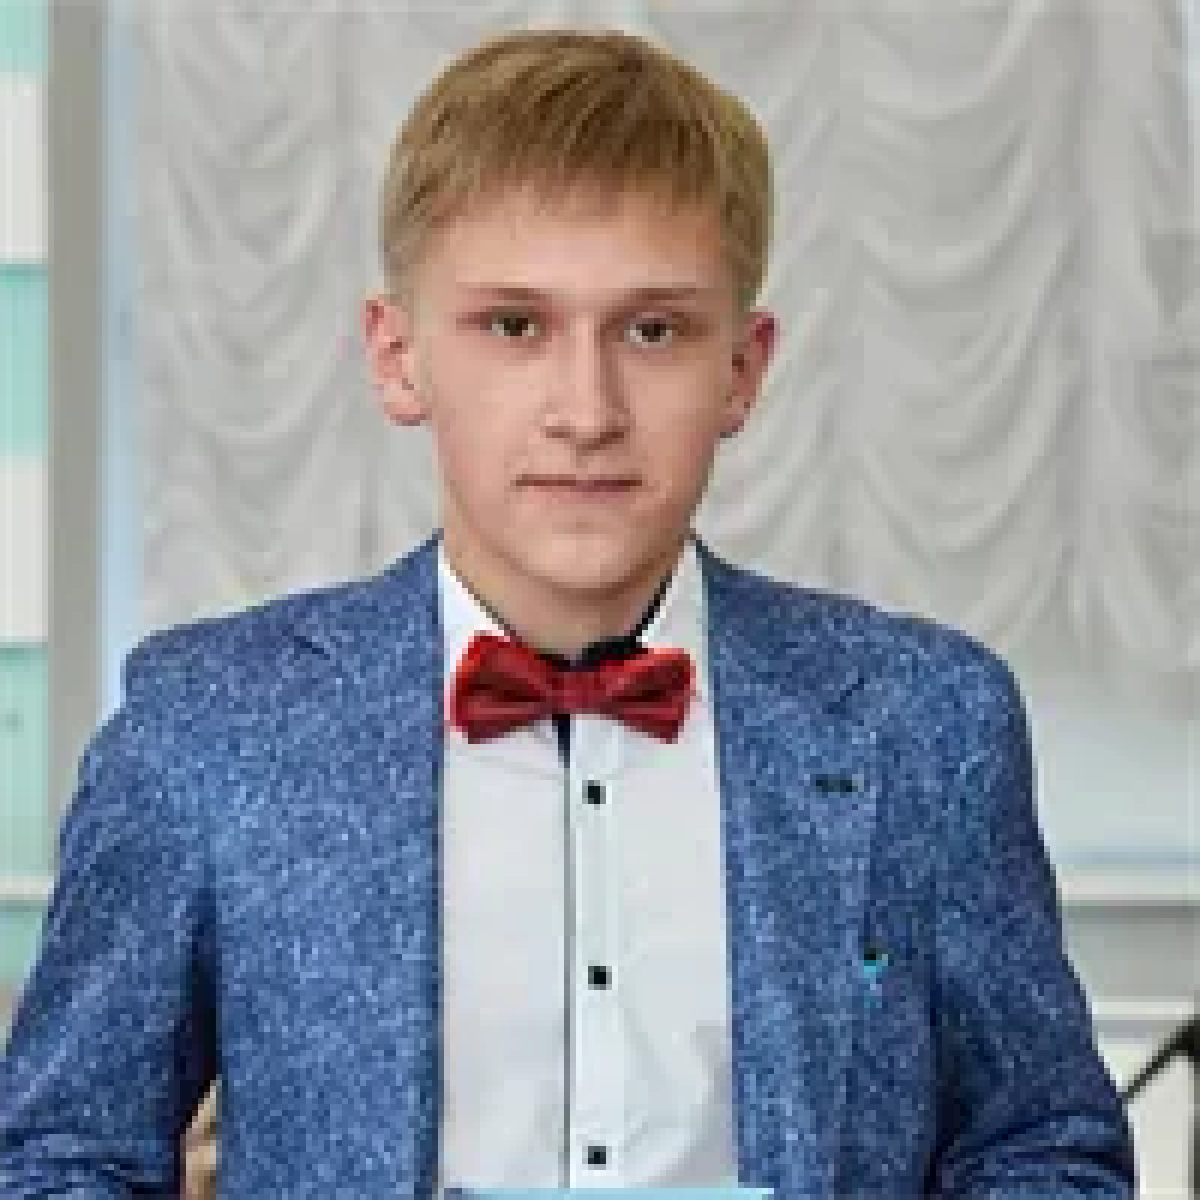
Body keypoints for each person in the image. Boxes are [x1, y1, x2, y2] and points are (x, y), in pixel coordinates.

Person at [0, 25, 1136, 1199]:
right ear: (398, 356)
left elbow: (1043, 1150)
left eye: (654, 331)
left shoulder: (927, 723)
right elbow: (58, 1159)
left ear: (743, 368)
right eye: (514, 326)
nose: (586, 411)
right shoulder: (211, 728)